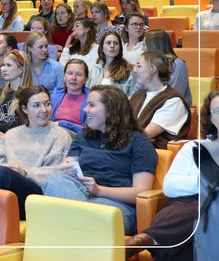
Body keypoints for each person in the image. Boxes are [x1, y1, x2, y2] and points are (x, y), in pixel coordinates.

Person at [43, 85, 158, 235]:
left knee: (64, 213)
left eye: (91, 105)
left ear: (110, 110)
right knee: (57, 180)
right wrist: (64, 167)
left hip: (116, 205)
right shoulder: (84, 135)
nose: (85, 110)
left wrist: (99, 190)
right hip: (78, 194)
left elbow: (141, 191)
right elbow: (69, 162)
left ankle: (72, 229)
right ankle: (80, 229)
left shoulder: (139, 142)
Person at [125, 90, 218, 261]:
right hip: (184, 205)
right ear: (210, 118)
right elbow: (170, 186)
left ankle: (140, 242)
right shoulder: (193, 147)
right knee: (187, 222)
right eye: (217, 111)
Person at [0, 85, 72, 219]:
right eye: (36, 105)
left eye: (47, 104)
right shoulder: (11, 135)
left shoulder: (60, 136)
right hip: (8, 191)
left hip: (38, 196)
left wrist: (25, 173)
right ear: (25, 109)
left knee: (3, 174)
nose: (44, 110)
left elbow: (59, 176)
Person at [130, 51, 190, 148]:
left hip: (150, 152)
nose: (135, 70)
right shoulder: (137, 95)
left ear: (153, 69)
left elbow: (145, 135)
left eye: (139, 66)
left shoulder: (173, 101)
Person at [0, 50, 33, 134]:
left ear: (21, 70)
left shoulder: (30, 96)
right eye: (3, 65)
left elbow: (19, 127)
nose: (2, 69)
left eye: (8, 65)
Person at [142, 29, 191, 105]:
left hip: (172, 106)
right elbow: (137, 90)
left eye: (144, 45)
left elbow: (175, 95)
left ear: (153, 46)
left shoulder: (178, 65)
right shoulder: (146, 64)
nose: (142, 49)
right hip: (149, 105)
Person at [87, 30, 136, 96]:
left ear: (120, 48)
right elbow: (87, 94)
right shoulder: (94, 70)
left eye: (115, 43)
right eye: (108, 43)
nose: (112, 46)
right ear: (102, 48)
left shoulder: (128, 71)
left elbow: (133, 97)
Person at [50, 59, 90, 133]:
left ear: (86, 79)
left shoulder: (91, 101)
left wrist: (63, 124)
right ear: (64, 76)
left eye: (79, 74)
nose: (73, 78)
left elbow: (90, 132)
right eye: (70, 73)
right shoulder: (55, 96)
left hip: (77, 138)